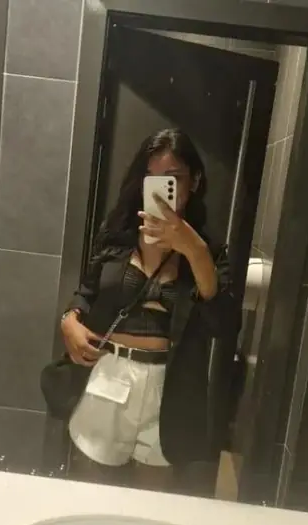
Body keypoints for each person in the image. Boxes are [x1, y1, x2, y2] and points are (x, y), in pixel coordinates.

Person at [61, 128, 239, 493]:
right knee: (88, 495)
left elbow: (221, 321)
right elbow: (86, 293)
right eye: (152, 178)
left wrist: (194, 250)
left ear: (195, 181)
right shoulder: (118, 235)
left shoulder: (209, 251)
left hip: (168, 388)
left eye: (172, 179)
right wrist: (69, 320)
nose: (161, 189)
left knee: (150, 504)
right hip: (110, 375)